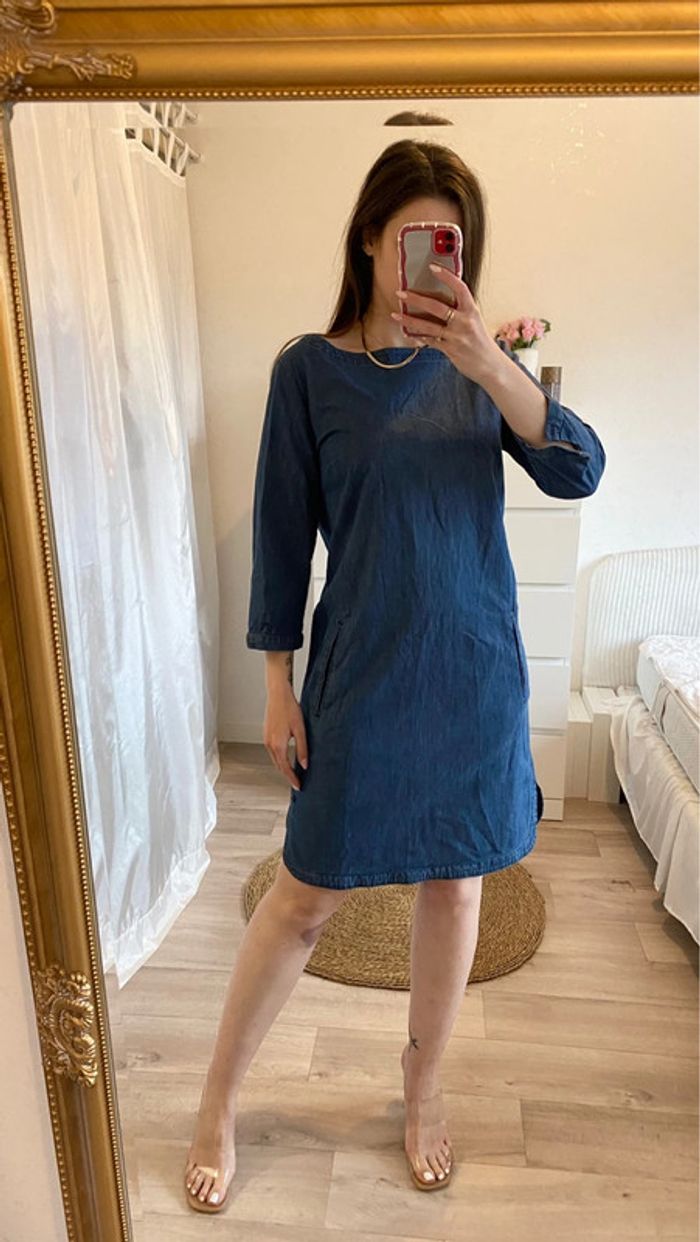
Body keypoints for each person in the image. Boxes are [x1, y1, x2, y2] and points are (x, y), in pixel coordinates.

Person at [184, 139, 607, 1212]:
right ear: (371, 239)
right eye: (415, 235)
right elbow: (282, 543)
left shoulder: (484, 371)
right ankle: (218, 1098)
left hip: (472, 676)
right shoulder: (307, 372)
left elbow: (581, 470)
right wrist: (276, 685)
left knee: (457, 885)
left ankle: (422, 1088)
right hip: (363, 677)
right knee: (303, 899)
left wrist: (490, 362)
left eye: (450, 242)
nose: (430, 256)